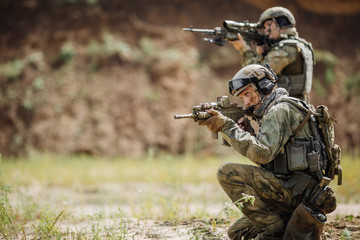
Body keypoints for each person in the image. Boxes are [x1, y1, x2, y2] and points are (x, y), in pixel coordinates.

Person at [198, 64, 337, 240]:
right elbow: (271, 161)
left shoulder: (278, 111)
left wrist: (227, 126)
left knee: (227, 172)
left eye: (248, 94)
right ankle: (292, 225)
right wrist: (247, 134)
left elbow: (262, 154)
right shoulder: (284, 107)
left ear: (264, 87)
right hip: (299, 193)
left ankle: (275, 231)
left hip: (297, 194)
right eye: (242, 97)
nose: (246, 102)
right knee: (237, 233)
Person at [229, 7, 314, 101]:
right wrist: (262, 54)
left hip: (287, 106)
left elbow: (254, 76)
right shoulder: (301, 45)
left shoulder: (287, 48)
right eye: (264, 27)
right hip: (295, 103)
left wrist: (243, 48)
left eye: (268, 25)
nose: (266, 30)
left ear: (282, 23)